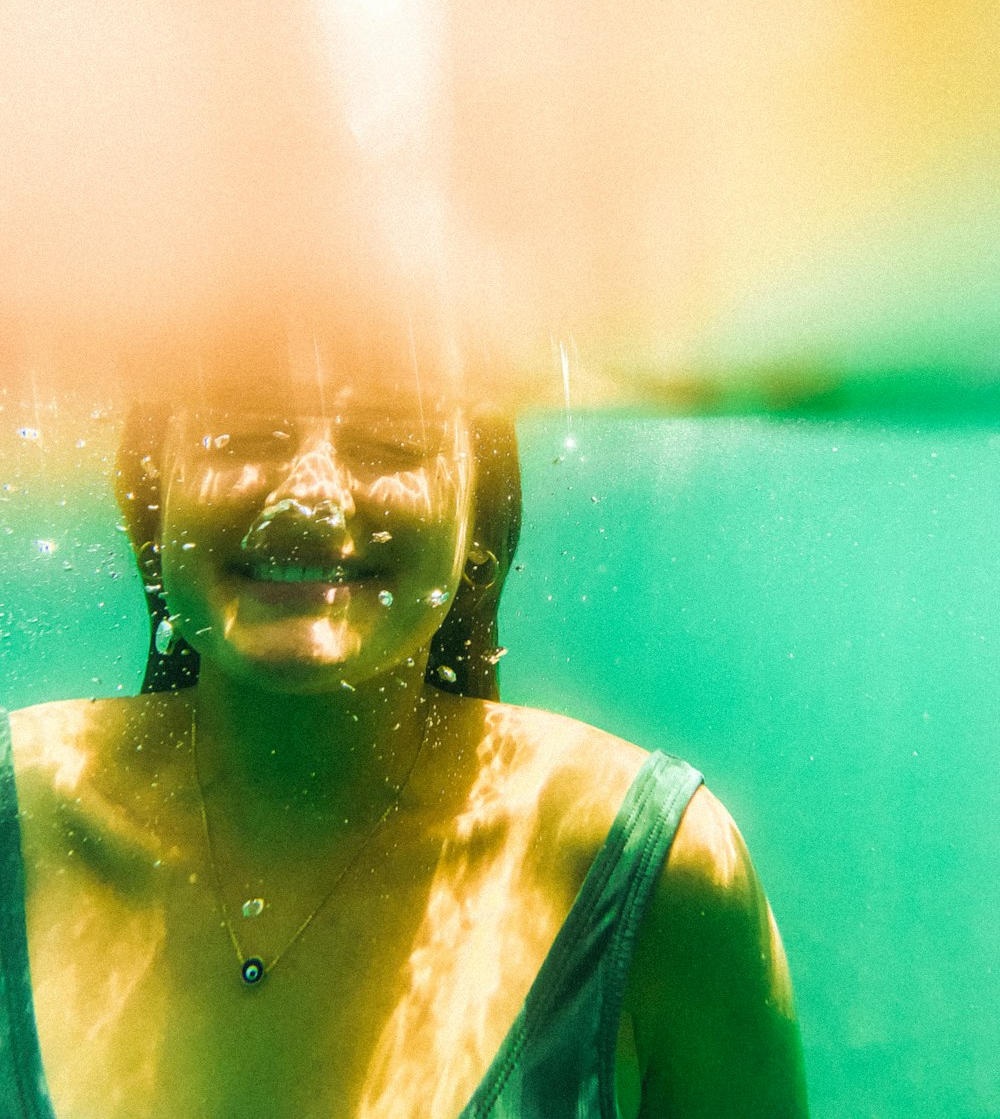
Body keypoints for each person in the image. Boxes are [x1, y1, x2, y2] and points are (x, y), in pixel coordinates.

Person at [1, 372, 809, 1118]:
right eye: (242, 430)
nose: (309, 497)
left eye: (391, 440)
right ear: (154, 496)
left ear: (478, 521)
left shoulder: (655, 868)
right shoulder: (13, 806)